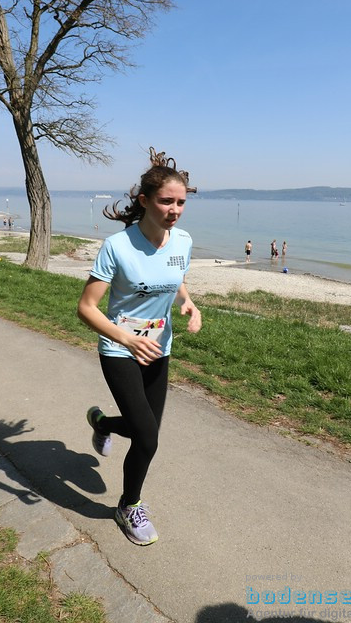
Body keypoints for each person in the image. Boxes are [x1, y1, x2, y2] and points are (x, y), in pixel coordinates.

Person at [77, 148, 202, 546]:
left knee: (141, 427)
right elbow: (86, 308)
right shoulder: (118, 247)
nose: (175, 210)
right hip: (120, 350)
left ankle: (101, 424)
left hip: (159, 349)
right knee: (148, 438)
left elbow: (175, 276)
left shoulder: (183, 241)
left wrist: (188, 301)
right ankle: (129, 506)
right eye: (167, 201)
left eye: (181, 202)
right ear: (145, 201)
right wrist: (125, 338)